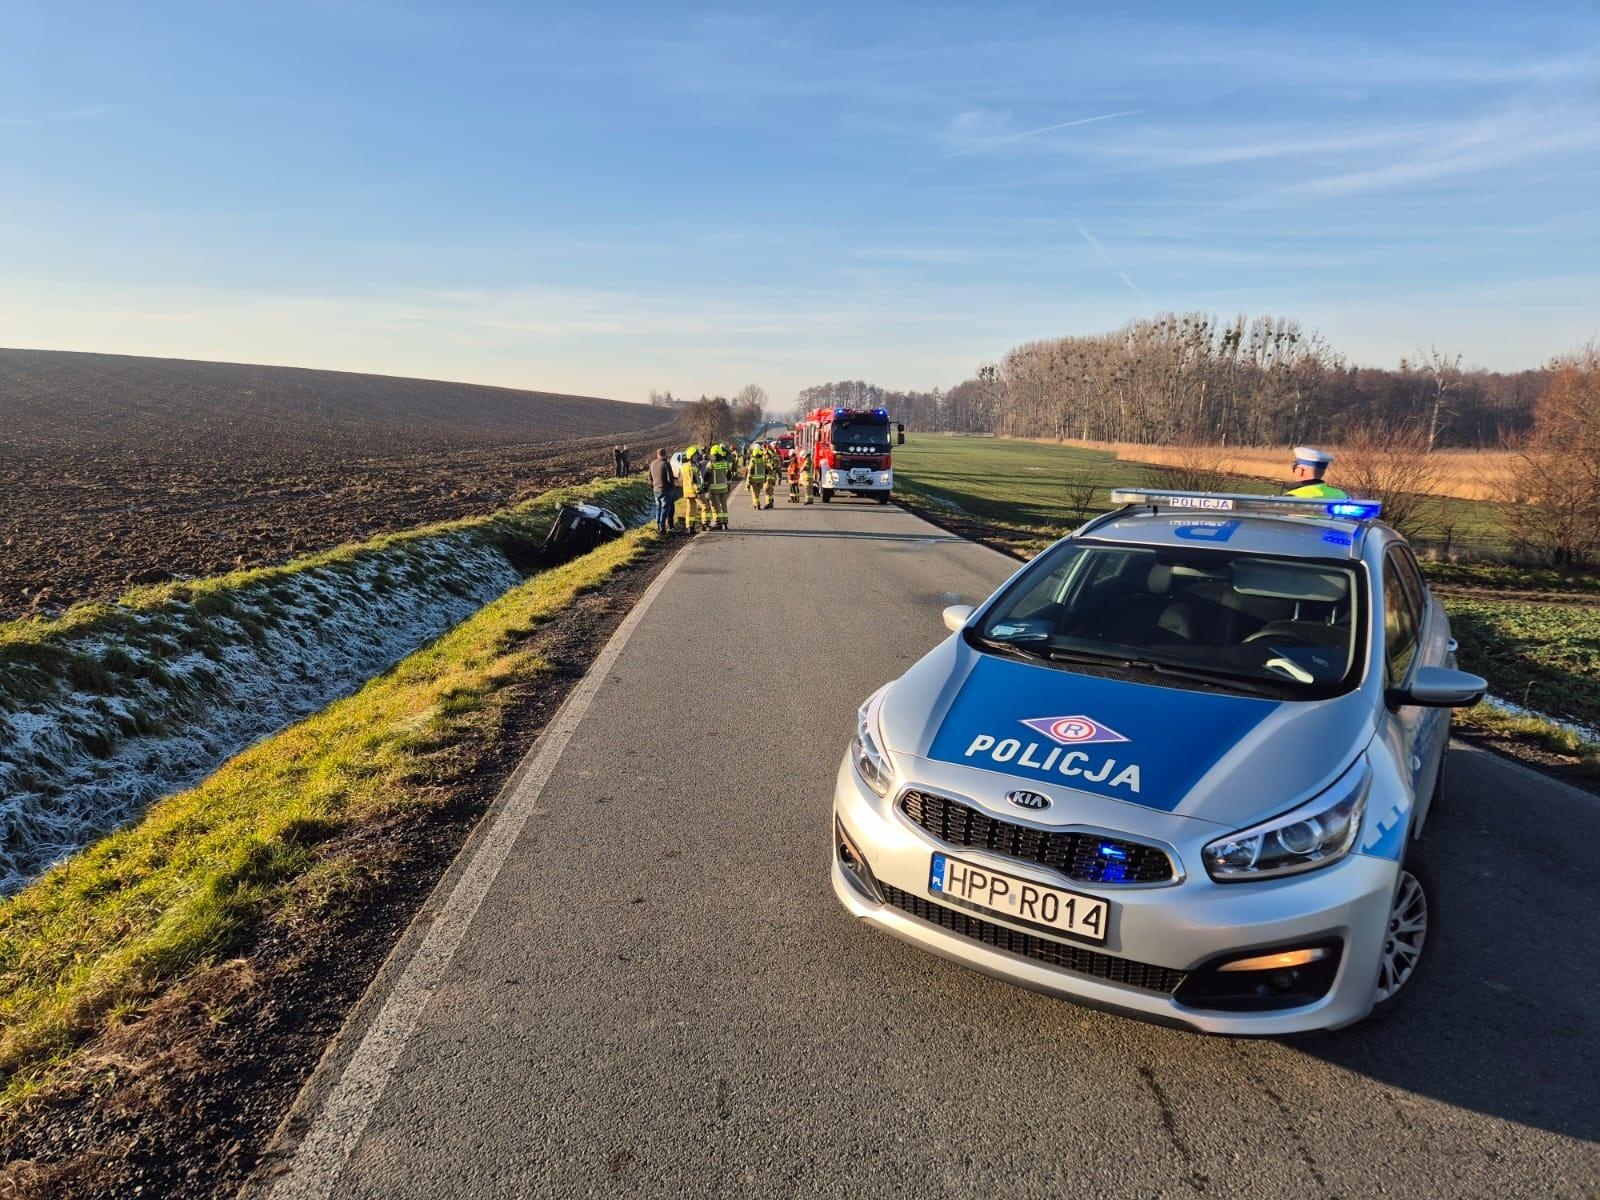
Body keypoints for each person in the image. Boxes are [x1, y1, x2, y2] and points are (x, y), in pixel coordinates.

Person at [647, 448, 675, 533]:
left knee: (658, 508)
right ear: (665, 454)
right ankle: (662, 528)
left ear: (657, 454)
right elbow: (670, 479)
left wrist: (653, 485)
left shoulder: (652, 464)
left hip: (656, 490)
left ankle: (658, 525)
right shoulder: (666, 464)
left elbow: (649, 478)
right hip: (665, 489)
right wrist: (672, 487)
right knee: (665, 508)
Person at [680, 445, 707, 531]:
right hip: (695, 491)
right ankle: (705, 524)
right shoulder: (692, 467)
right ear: (691, 456)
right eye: (695, 456)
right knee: (705, 506)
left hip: (687, 491)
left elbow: (680, 478)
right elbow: (694, 480)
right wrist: (699, 490)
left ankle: (690, 527)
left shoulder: (684, 466)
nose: (696, 457)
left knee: (691, 509)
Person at [706, 443, 732, 529]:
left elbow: (706, 475)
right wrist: (728, 486)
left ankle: (718, 523)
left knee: (716, 506)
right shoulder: (725, 463)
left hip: (714, 489)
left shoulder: (711, 464)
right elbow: (729, 476)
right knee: (724, 505)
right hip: (723, 488)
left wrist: (705, 486)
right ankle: (725, 522)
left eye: (712, 454)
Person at [747, 443, 774, 509]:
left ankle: (757, 503)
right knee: (758, 492)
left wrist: (748, 481)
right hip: (761, 480)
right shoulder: (762, 460)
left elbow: (749, 470)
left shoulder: (753, 460)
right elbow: (765, 469)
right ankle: (756, 503)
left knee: (754, 493)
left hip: (754, 480)